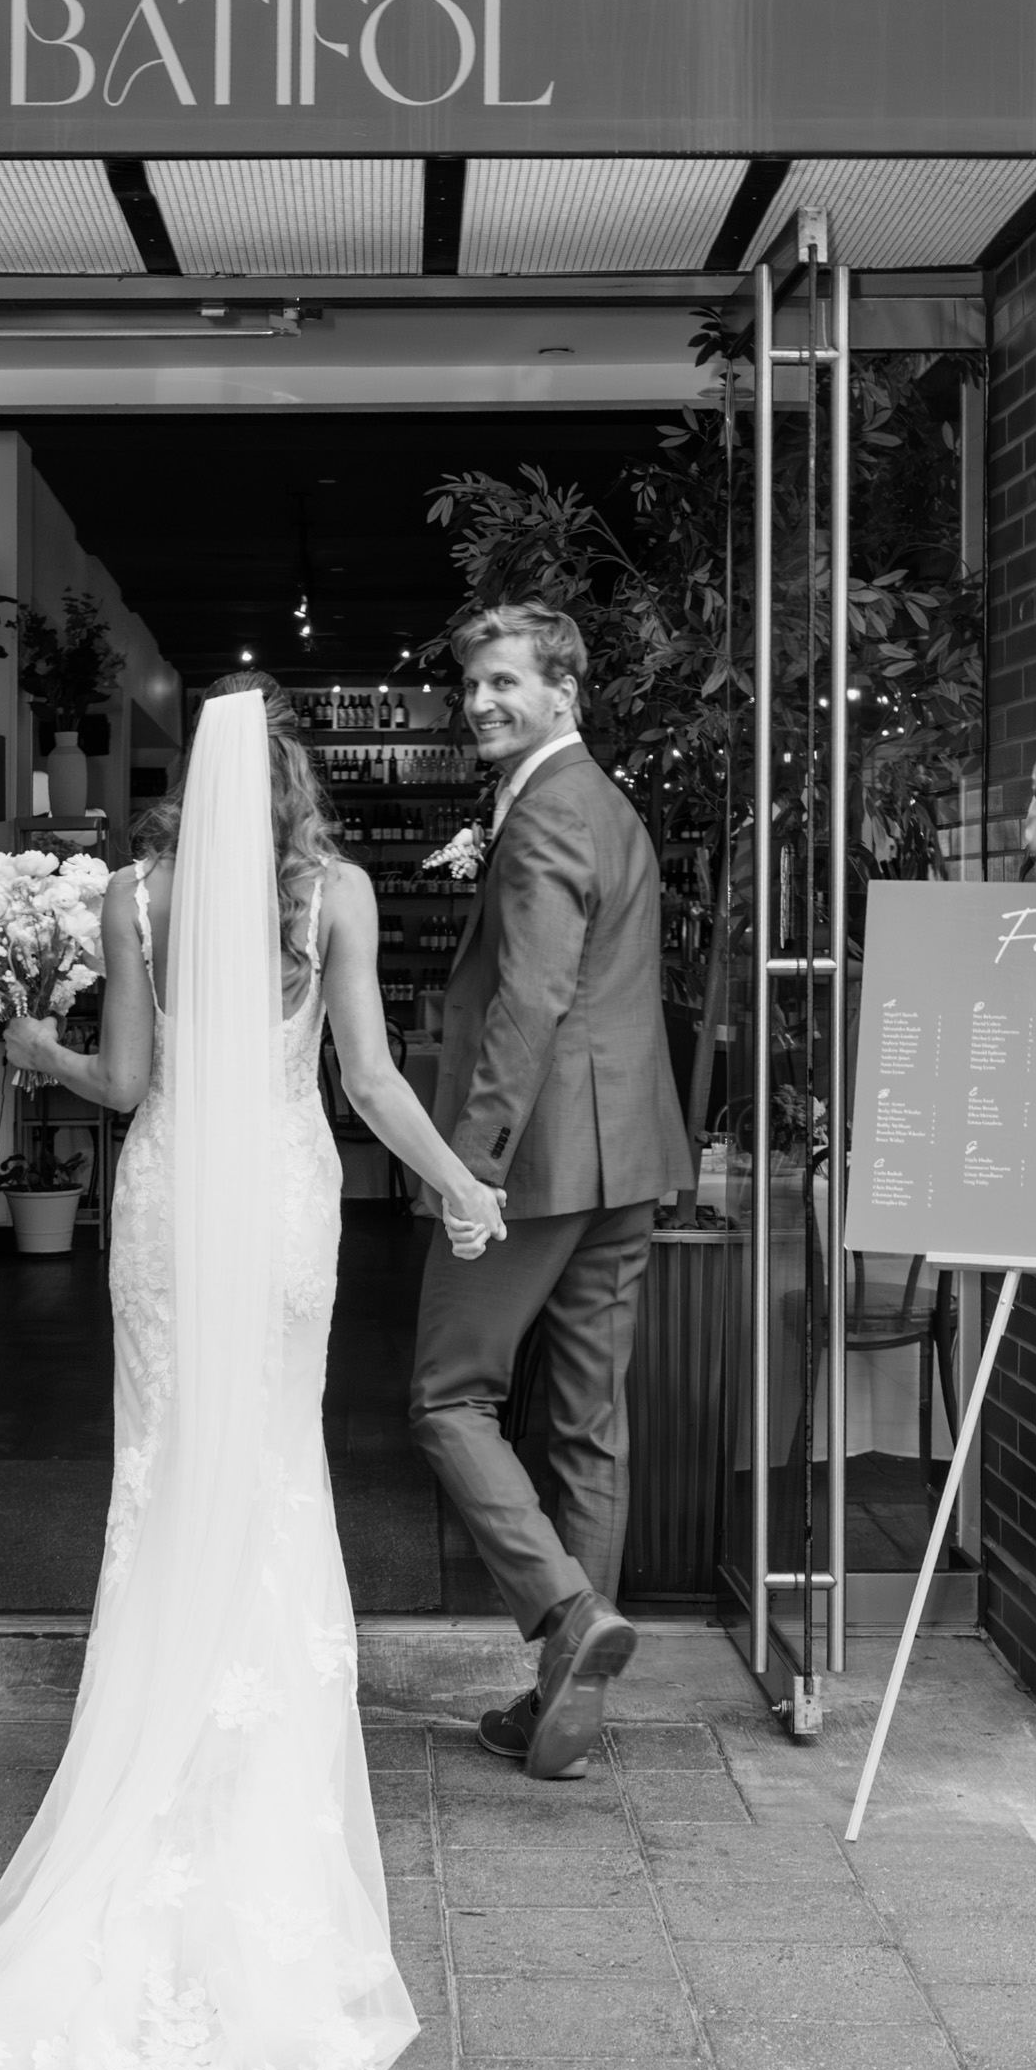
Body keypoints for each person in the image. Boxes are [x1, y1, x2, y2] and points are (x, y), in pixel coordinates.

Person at [0, 674, 506, 2070]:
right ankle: (258, 1794)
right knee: (274, 1472)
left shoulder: (133, 893)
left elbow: (123, 1084)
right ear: (297, 790)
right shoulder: (338, 899)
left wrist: (29, 1050)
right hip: (286, 1208)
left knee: (160, 1473)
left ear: (192, 781)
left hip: (174, 1206)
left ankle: (148, 1769)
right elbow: (364, 1078)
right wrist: (455, 1183)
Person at [409, 603, 693, 1781]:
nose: (479, 700)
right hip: (628, 1152)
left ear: (563, 689)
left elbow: (527, 1002)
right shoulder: (605, 803)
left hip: (537, 1163)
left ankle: (566, 1616)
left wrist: (467, 1164)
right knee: (585, 1424)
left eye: (504, 682)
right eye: (471, 682)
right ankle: (563, 1709)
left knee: (445, 1398)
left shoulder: (543, 815)